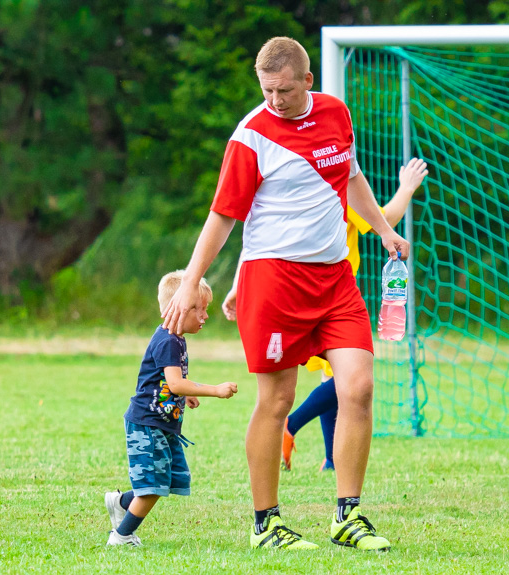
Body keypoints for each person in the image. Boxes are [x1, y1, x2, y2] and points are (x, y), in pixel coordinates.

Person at [162, 36, 411, 551]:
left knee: (359, 387)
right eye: (266, 90)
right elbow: (224, 217)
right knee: (277, 399)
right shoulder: (250, 137)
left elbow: (353, 178)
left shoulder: (336, 115)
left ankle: (348, 516)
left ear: (308, 82)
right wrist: (191, 279)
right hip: (275, 282)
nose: (274, 100)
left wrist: (384, 230)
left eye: (283, 90)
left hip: (335, 279)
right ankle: (266, 524)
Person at [222, 158, 428, 472]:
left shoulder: (301, 188)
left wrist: (239, 283)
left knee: (330, 378)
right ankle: (290, 425)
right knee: (350, 378)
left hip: (300, 296)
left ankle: (331, 460)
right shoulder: (337, 189)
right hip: (332, 298)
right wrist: (407, 187)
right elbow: (385, 219)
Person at [104, 270, 238, 547]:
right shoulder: (167, 340)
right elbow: (176, 384)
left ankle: (119, 502)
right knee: (152, 486)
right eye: (200, 309)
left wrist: (185, 394)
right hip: (147, 424)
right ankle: (122, 536)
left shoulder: (175, 338)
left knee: (165, 480)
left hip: (162, 424)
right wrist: (213, 389)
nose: (205, 316)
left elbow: (171, 381)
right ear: (178, 308)